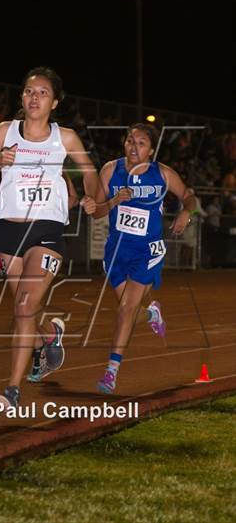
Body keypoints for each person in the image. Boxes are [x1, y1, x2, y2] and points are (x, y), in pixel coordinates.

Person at [0, 66, 98, 408]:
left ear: (55, 102)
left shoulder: (64, 138)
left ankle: (11, 389)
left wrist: (92, 197)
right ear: (21, 97)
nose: (34, 97)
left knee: (24, 306)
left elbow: (89, 172)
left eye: (42, 92)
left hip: (47, 230)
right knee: (27, 309)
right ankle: (46, 340)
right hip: (9, 232)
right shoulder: (4, 132)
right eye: (28, 91)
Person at [82, 123, 197, 394]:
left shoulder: (163, 174)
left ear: (151, 149)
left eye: (141, 143)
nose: (134, 147)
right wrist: (110, 203)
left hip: (147, 251)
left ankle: (111, 372)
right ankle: (151, 312)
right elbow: (97, 212)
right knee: (130, 311)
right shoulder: (111, 170)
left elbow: (189, 196)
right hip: (117, 251)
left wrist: (185, 213)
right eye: (130, 141)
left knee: (124, 310)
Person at [0, 167, 79, 383]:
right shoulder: (2, 166)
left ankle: (14, 385)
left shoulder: (53, 162)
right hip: (10, 240)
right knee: (23, 307)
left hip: (43, 236)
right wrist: (3, 197)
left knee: (25, 307)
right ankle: (48, 336)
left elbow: (72, 199)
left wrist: (44, 209)